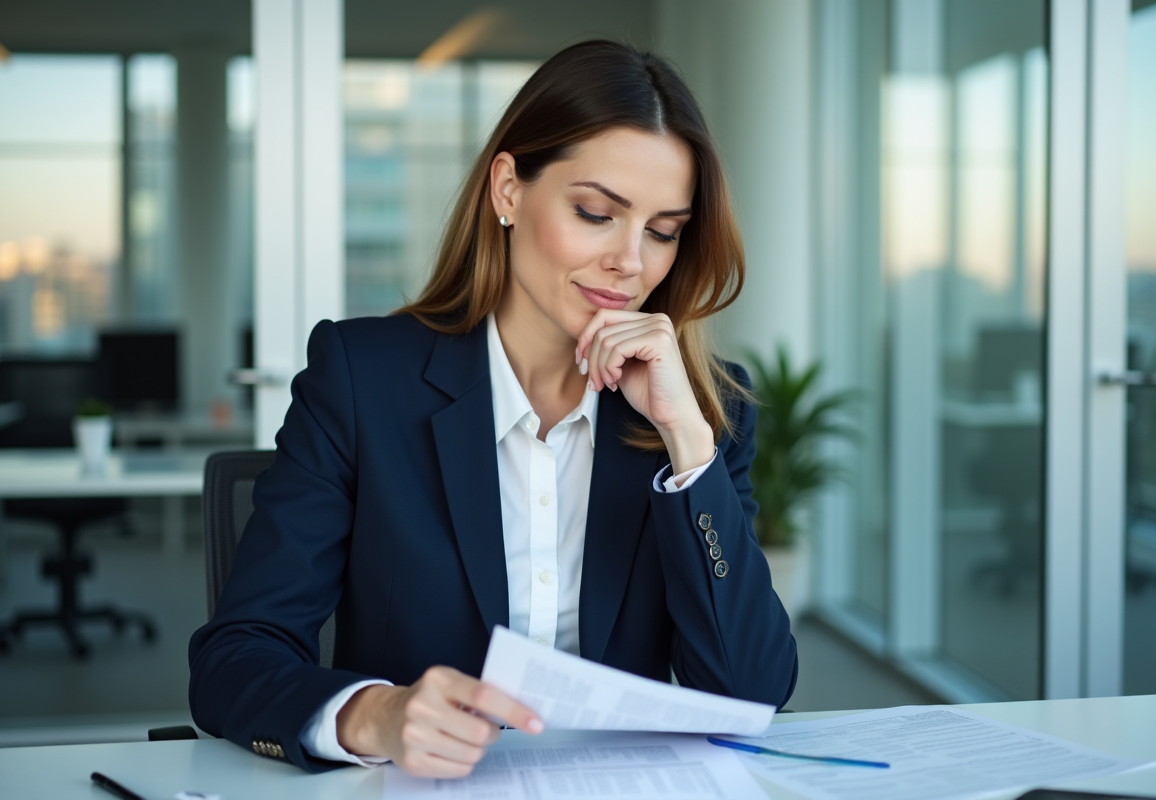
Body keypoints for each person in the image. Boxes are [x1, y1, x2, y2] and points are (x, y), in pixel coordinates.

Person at [189, 39, 798, 777]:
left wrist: (686, 444)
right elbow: (235, 657)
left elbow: (752, 691)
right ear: (508, 190)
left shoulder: (698, 413)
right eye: (596, 212)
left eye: (663, 231)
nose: (631, 262)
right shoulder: (361, 381)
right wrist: (373, 714)